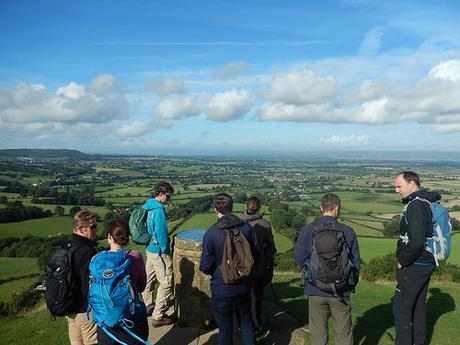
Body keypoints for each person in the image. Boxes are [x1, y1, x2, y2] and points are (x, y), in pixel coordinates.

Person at [294, 193, 360, 345]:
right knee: (343, 334)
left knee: (318, 334)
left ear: (321, 208)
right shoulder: (347, 231)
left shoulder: (308, 229)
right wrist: (349, 285)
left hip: (314, 288)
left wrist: (312, 271)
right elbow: (355, 264)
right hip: (341, 291)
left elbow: (298, 257)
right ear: (337, 208)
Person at [200, 193, 257, 345]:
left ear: (216, 210)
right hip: (244, 284)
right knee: (246, 321)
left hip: (221, 287)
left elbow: (205, 267)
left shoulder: (212, 233)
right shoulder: (246, 228)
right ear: (231, 208)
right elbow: (254, 254)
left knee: (225, 328)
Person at [393, 171, 439, 345]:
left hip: (415, 264)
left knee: (401, 310)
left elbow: (417, 241)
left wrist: (402, 261)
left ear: (412, 184)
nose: (396, 190)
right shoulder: (427, 201)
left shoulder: (416, 206)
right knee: (418, 307)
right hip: (426, 262)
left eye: (399, 186)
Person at [96, 219, 148, 344]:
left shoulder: (96, 259)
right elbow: (141, 287)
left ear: (109, 237)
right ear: (127, 237)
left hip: (105, 322)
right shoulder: (135, 256)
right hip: (131, 319)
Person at [239, 196, 276, 333]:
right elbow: (271, 246)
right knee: (257, 295)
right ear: (259, 207)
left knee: (243, 294)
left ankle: (242, 323)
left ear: (246, 206)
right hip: (258, 265)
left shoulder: (238, 221)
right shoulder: (265, 224)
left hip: (241, 264)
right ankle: (256, 323)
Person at [141, 181, 175, 327]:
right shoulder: (159, 210)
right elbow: (162, 234)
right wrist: (166, 251)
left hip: (149, 248)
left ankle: (148, 305)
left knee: (148, 279)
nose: (169, 199)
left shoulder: (147, 205)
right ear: (160, 194)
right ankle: (158, 315)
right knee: (166, 282)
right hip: (158, 251)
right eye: (167, 196)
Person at [66, 210, 98, 345]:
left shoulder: (67, 247)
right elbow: (89, 285)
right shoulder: (87, 251)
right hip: (85, 309)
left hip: (69, 307)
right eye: (93, 227)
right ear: (80, 229)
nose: (96, 230)